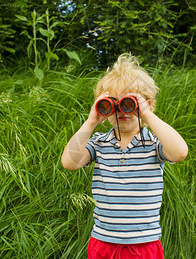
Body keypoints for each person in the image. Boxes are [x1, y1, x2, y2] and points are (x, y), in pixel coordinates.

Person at [61, 53, 188, 258]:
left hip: (143, 244)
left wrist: (147, 114)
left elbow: (180, 152)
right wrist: (91, 121)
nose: (122, 110)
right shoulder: (99, 143)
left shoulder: (154, 143)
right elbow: (69, 162)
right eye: (113, 104)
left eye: (129, 103)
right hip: (103, 241)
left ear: (147, 104)